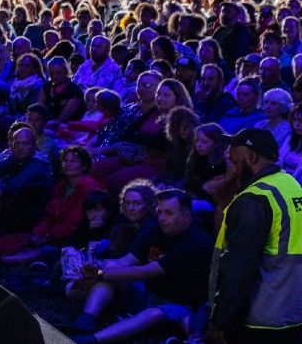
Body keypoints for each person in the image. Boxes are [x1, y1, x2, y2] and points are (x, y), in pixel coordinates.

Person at [73, 190, 214, 344]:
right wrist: (99, 269)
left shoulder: (195, 243)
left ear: (186, 216)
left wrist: (100, 273)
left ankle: (91, 340)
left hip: (180, 304)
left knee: (154, 313)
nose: (162, 218)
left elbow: (144, 272)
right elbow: (125, 262)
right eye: (160, 212)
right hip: (149, 292)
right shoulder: (156, 229)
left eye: (169, 213)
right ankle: (85, 322)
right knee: (112, 270)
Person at [208, 128, 302, 343]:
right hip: (292, 313)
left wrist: (221, 319)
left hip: (259, 320)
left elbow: (240, 267)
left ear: (251, 157)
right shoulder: (291, 185)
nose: (229, 163)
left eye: (233, 160)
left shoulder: (254, 199)